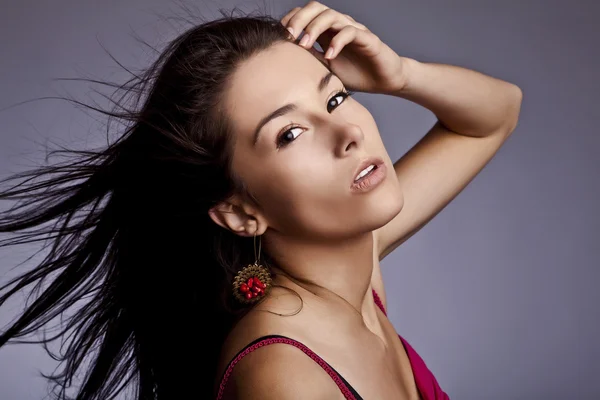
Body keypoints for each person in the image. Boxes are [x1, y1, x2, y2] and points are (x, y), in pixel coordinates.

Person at [0, 2, 522, 399]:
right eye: (291, 133)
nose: (347, 133)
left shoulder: (354, 270)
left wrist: (401, 74)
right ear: (240, 212)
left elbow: (495, 114)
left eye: (336, 97)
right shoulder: (284, 375)